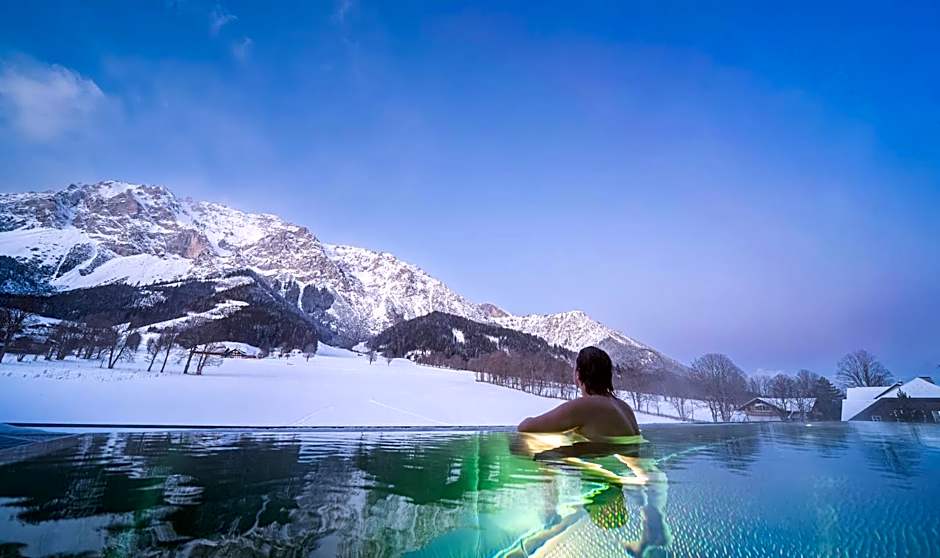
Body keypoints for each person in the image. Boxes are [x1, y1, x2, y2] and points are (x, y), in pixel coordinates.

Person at [517, 346, 640, 440]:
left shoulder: (585, 406)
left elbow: (525, 427)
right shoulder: (625, 407)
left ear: (578, 374)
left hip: (607, 463)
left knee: (522, 445)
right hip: (624, 461)